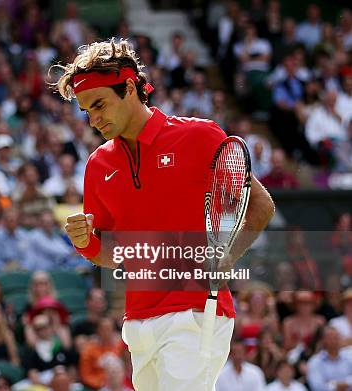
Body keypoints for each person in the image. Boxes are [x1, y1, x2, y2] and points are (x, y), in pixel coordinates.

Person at [59, 39, 275, 390]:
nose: (94, 120)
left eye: (99, 105)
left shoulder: (199, 136)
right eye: (86, 111)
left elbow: (261, 206)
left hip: (195, 311)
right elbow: (114, 255)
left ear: (129, 88)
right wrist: (86, 244)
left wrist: (227, 257)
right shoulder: (98, 165)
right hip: (139, 323)